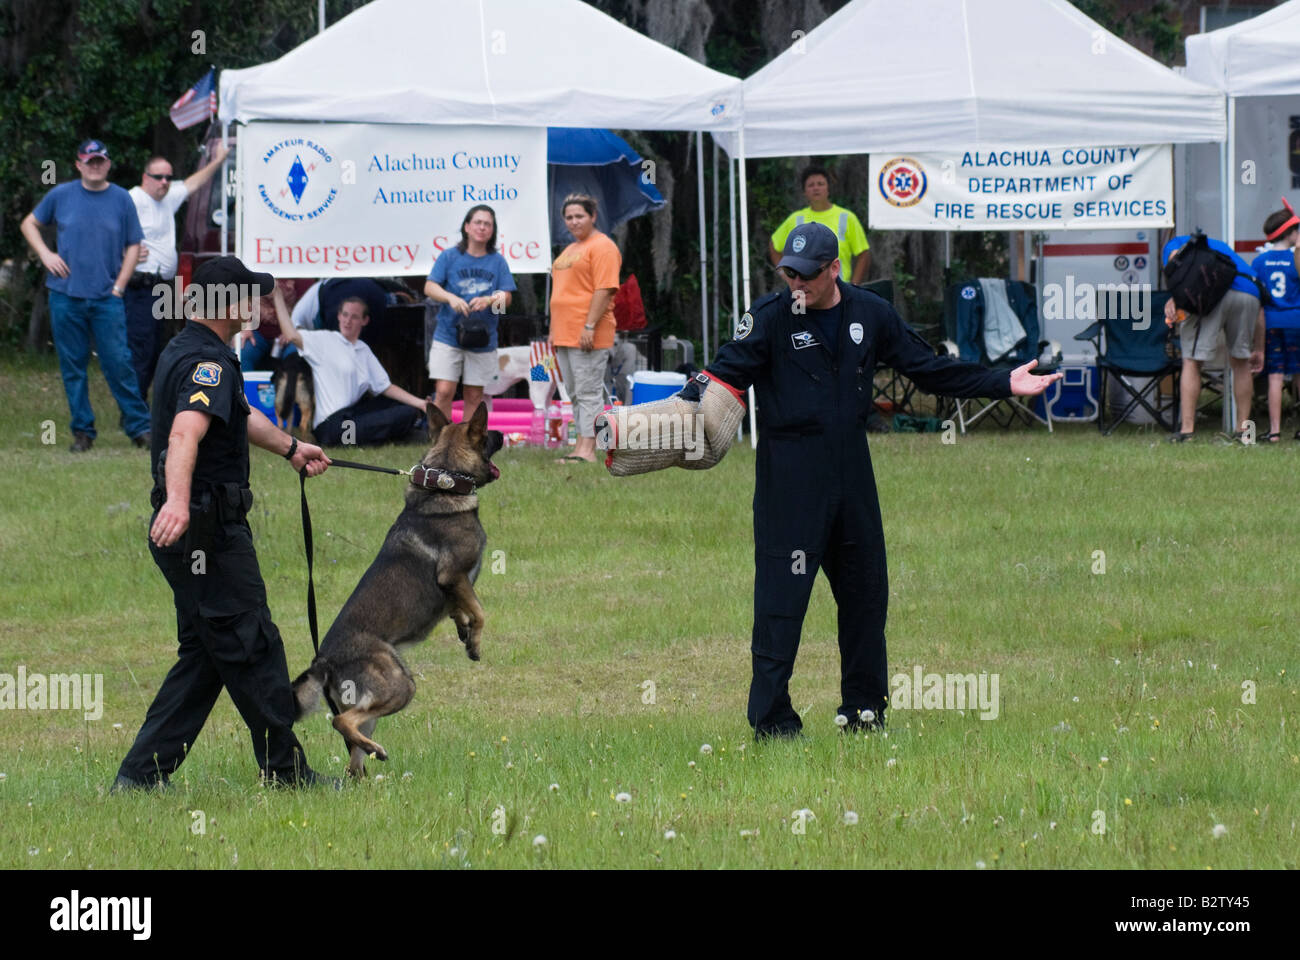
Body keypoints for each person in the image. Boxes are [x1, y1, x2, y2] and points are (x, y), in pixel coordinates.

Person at [697, 223, 1058, 739]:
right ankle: (773, 721)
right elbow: (723, 373)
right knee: (780, 606)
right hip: (790, 486)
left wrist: (1001, 381)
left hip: (852, 482)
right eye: (789, 273)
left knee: (867, 601)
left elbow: (928, 369)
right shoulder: (769, 317)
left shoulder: (871, 313)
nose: (797, 284)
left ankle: (863, 713)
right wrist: (680, 408)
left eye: (808, 275)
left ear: (834, 269)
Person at [112, 255, 335, 791]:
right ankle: (287, 773)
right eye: (251, 296)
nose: (259, 305)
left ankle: (139, 779)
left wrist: (291, 448)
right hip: (207, 532)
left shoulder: (198, 352)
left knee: (207, 657)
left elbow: (238, 412)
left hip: (199, 531)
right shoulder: (205, 363)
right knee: (253, 646)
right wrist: (179, 502)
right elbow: (186, 434)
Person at [20, 139, 152, 452]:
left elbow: (134, 243)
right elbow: (29, 223)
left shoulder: (121, 198)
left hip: (108, 297)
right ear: (79, 164)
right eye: (89, 161)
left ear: (107, 164)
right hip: (65, 296)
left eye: (100, 161)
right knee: (73, 366)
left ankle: (139, 428)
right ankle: (83, 432)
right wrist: (45, 254)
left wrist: (120, 284)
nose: (95, 166)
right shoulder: (60, 194)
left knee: (119, 363)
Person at [126, 144, 229, 398]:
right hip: (139, 287)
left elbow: (194, 183)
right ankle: (135, 410)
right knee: (141, 348)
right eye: (158, 177)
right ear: (145, 178)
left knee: (157, 348)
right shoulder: (132, 200)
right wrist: (122, 253)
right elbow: (103, 230)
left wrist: (218, 160)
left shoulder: (167, 197)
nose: (164, 182)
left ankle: (141, 405)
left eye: (168, 178)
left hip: (162, 289)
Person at [279, 296, 427, 446]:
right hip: (332, 427)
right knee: (405, 414)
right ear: (338, 316)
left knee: (399, 407)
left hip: (353, 415)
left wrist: (421, 403)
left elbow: (385, 387)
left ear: (364, 321)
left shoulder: (363, 349)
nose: (347, 321)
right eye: (345, 315)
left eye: (354, 317)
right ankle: (401, 435)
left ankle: (399, 434)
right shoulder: (324, 340)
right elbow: (291, 335)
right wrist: (278, 296)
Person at [1161, 232, 1263, 442]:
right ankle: (1244, 432)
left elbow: (1179, 267)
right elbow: (1261, 311)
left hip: (1213, 293)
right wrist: (1259, 348)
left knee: (1192, 361)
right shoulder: (1220, 247)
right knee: (1241, 362)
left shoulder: (1173, 245)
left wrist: (1174, 299)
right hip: (1250, 293)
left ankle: (1187, 431)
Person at [423, 204, 516, 421]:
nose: (482, 228)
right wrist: (451, 298)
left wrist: (490, 300)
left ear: (493, 230)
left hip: (482, 338)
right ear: (467, 226)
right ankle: (442, 443)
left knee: (474, 395)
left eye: (487, 224)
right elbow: (429, 288)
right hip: (448, 334)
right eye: (478, 222)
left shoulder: (497, 261)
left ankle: (467, 447)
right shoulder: (449, 256)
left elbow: (507, 300)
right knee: (444, 390)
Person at [550, 193, 620, 464]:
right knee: (575, 392)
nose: (574, 221)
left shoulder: (602, 246)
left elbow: (605, 288)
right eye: (568, 217)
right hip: (565, 334)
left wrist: (589, 325)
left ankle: (588, 451)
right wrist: (555, 330)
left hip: (588, 332)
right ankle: (579, 445)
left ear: (593, 216)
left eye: (580, 216)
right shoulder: (570, 249)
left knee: (589, 391)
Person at [769, 165, 871, 283]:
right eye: (811, 185)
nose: (816, 188)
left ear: (828, 188)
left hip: (839, 290)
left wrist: (854, 287)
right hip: (805, 291)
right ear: (804, 192)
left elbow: (863, 253)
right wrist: (787, 276)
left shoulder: (847, 218)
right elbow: (774, 245)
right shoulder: (796, 219)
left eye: (820, 184)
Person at [1251, 204, 1300, 442]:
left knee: (1275, 377)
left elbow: (1255, 298)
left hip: (1270, 323)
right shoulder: (1296, 259)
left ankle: (1275, 431)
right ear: (1289, 233)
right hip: (1296, 322)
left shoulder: (1259, 262)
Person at [239, 278, 298, 371]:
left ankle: (290, 384)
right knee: (243, 353)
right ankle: (243, 385)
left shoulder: (301, 270)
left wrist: (294, 329)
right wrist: (244, 324)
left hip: (290, 331)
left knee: (295, 356)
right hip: (257, 331)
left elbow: (306, 308)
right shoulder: (253, 266)